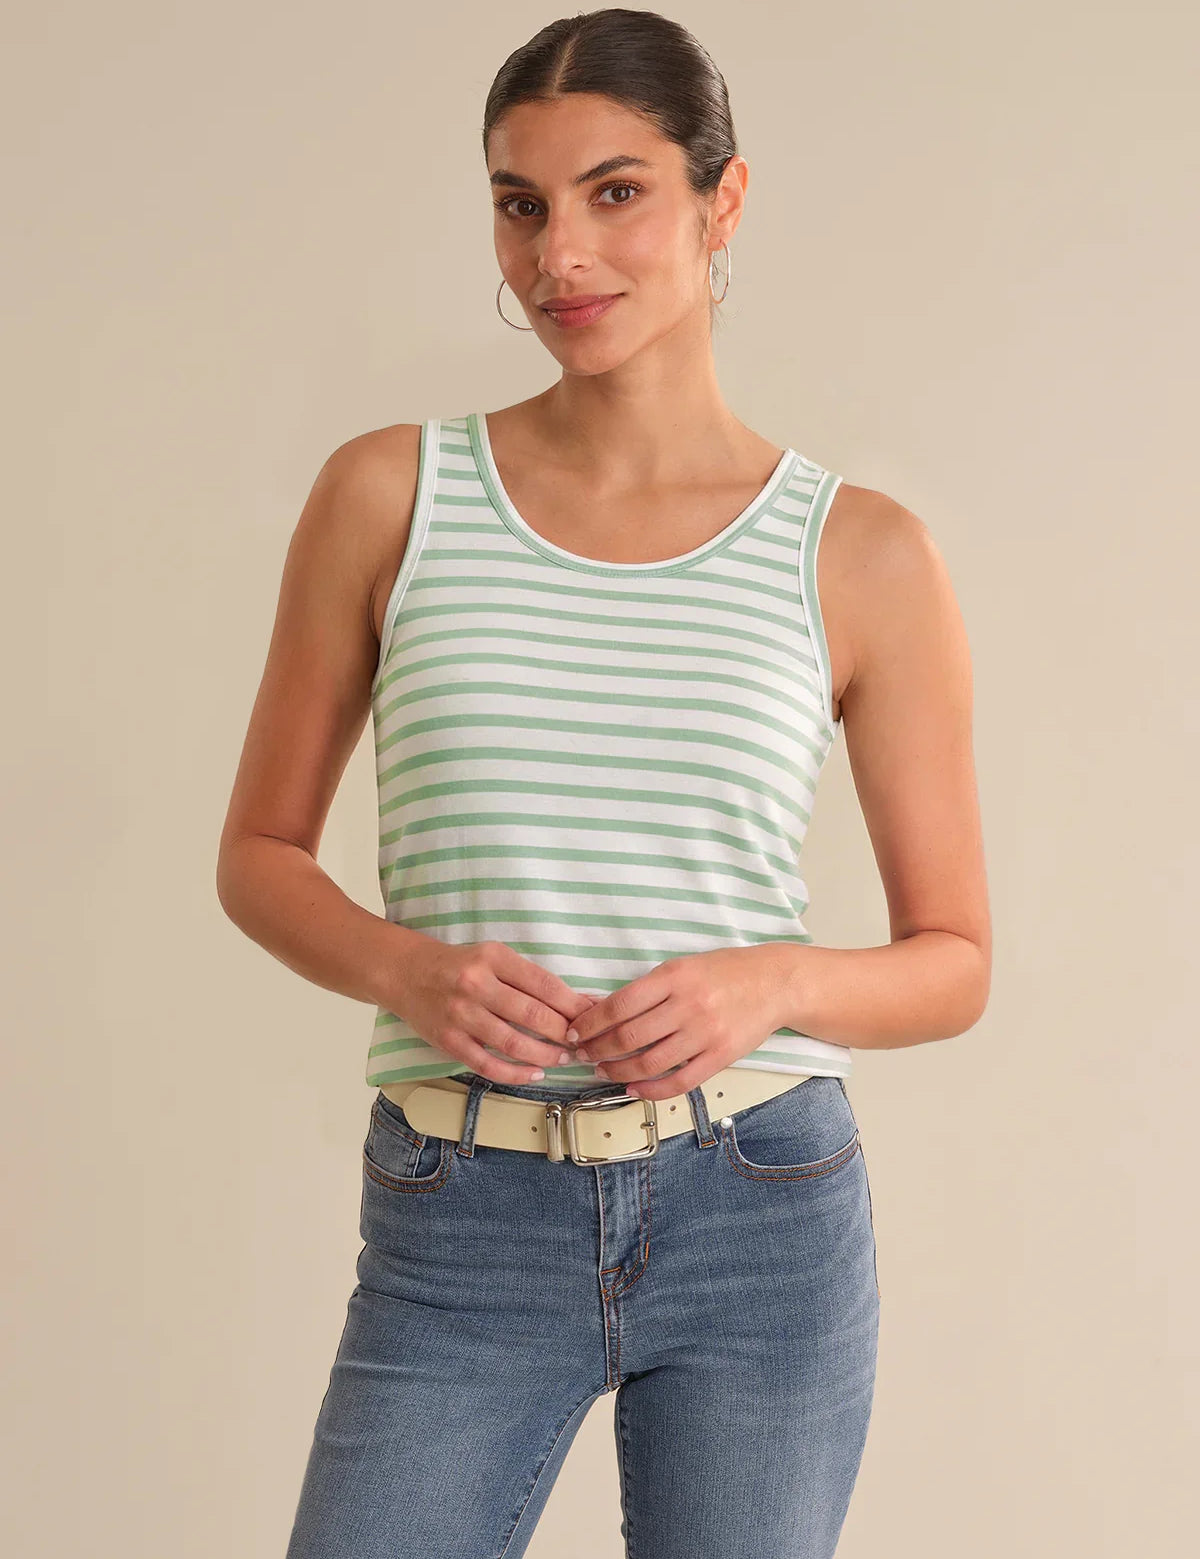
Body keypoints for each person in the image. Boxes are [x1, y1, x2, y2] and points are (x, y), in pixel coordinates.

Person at [217, 10, 990, 1557]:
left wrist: (764, 983)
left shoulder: (863, 555)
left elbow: (954, 964)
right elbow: (260, 853)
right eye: (521, 201)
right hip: (460, 1206)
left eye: (615, 191)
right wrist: (409, 971)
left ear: (725, 201)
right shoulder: (391, 495)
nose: (558, 252)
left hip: (760, 1206)